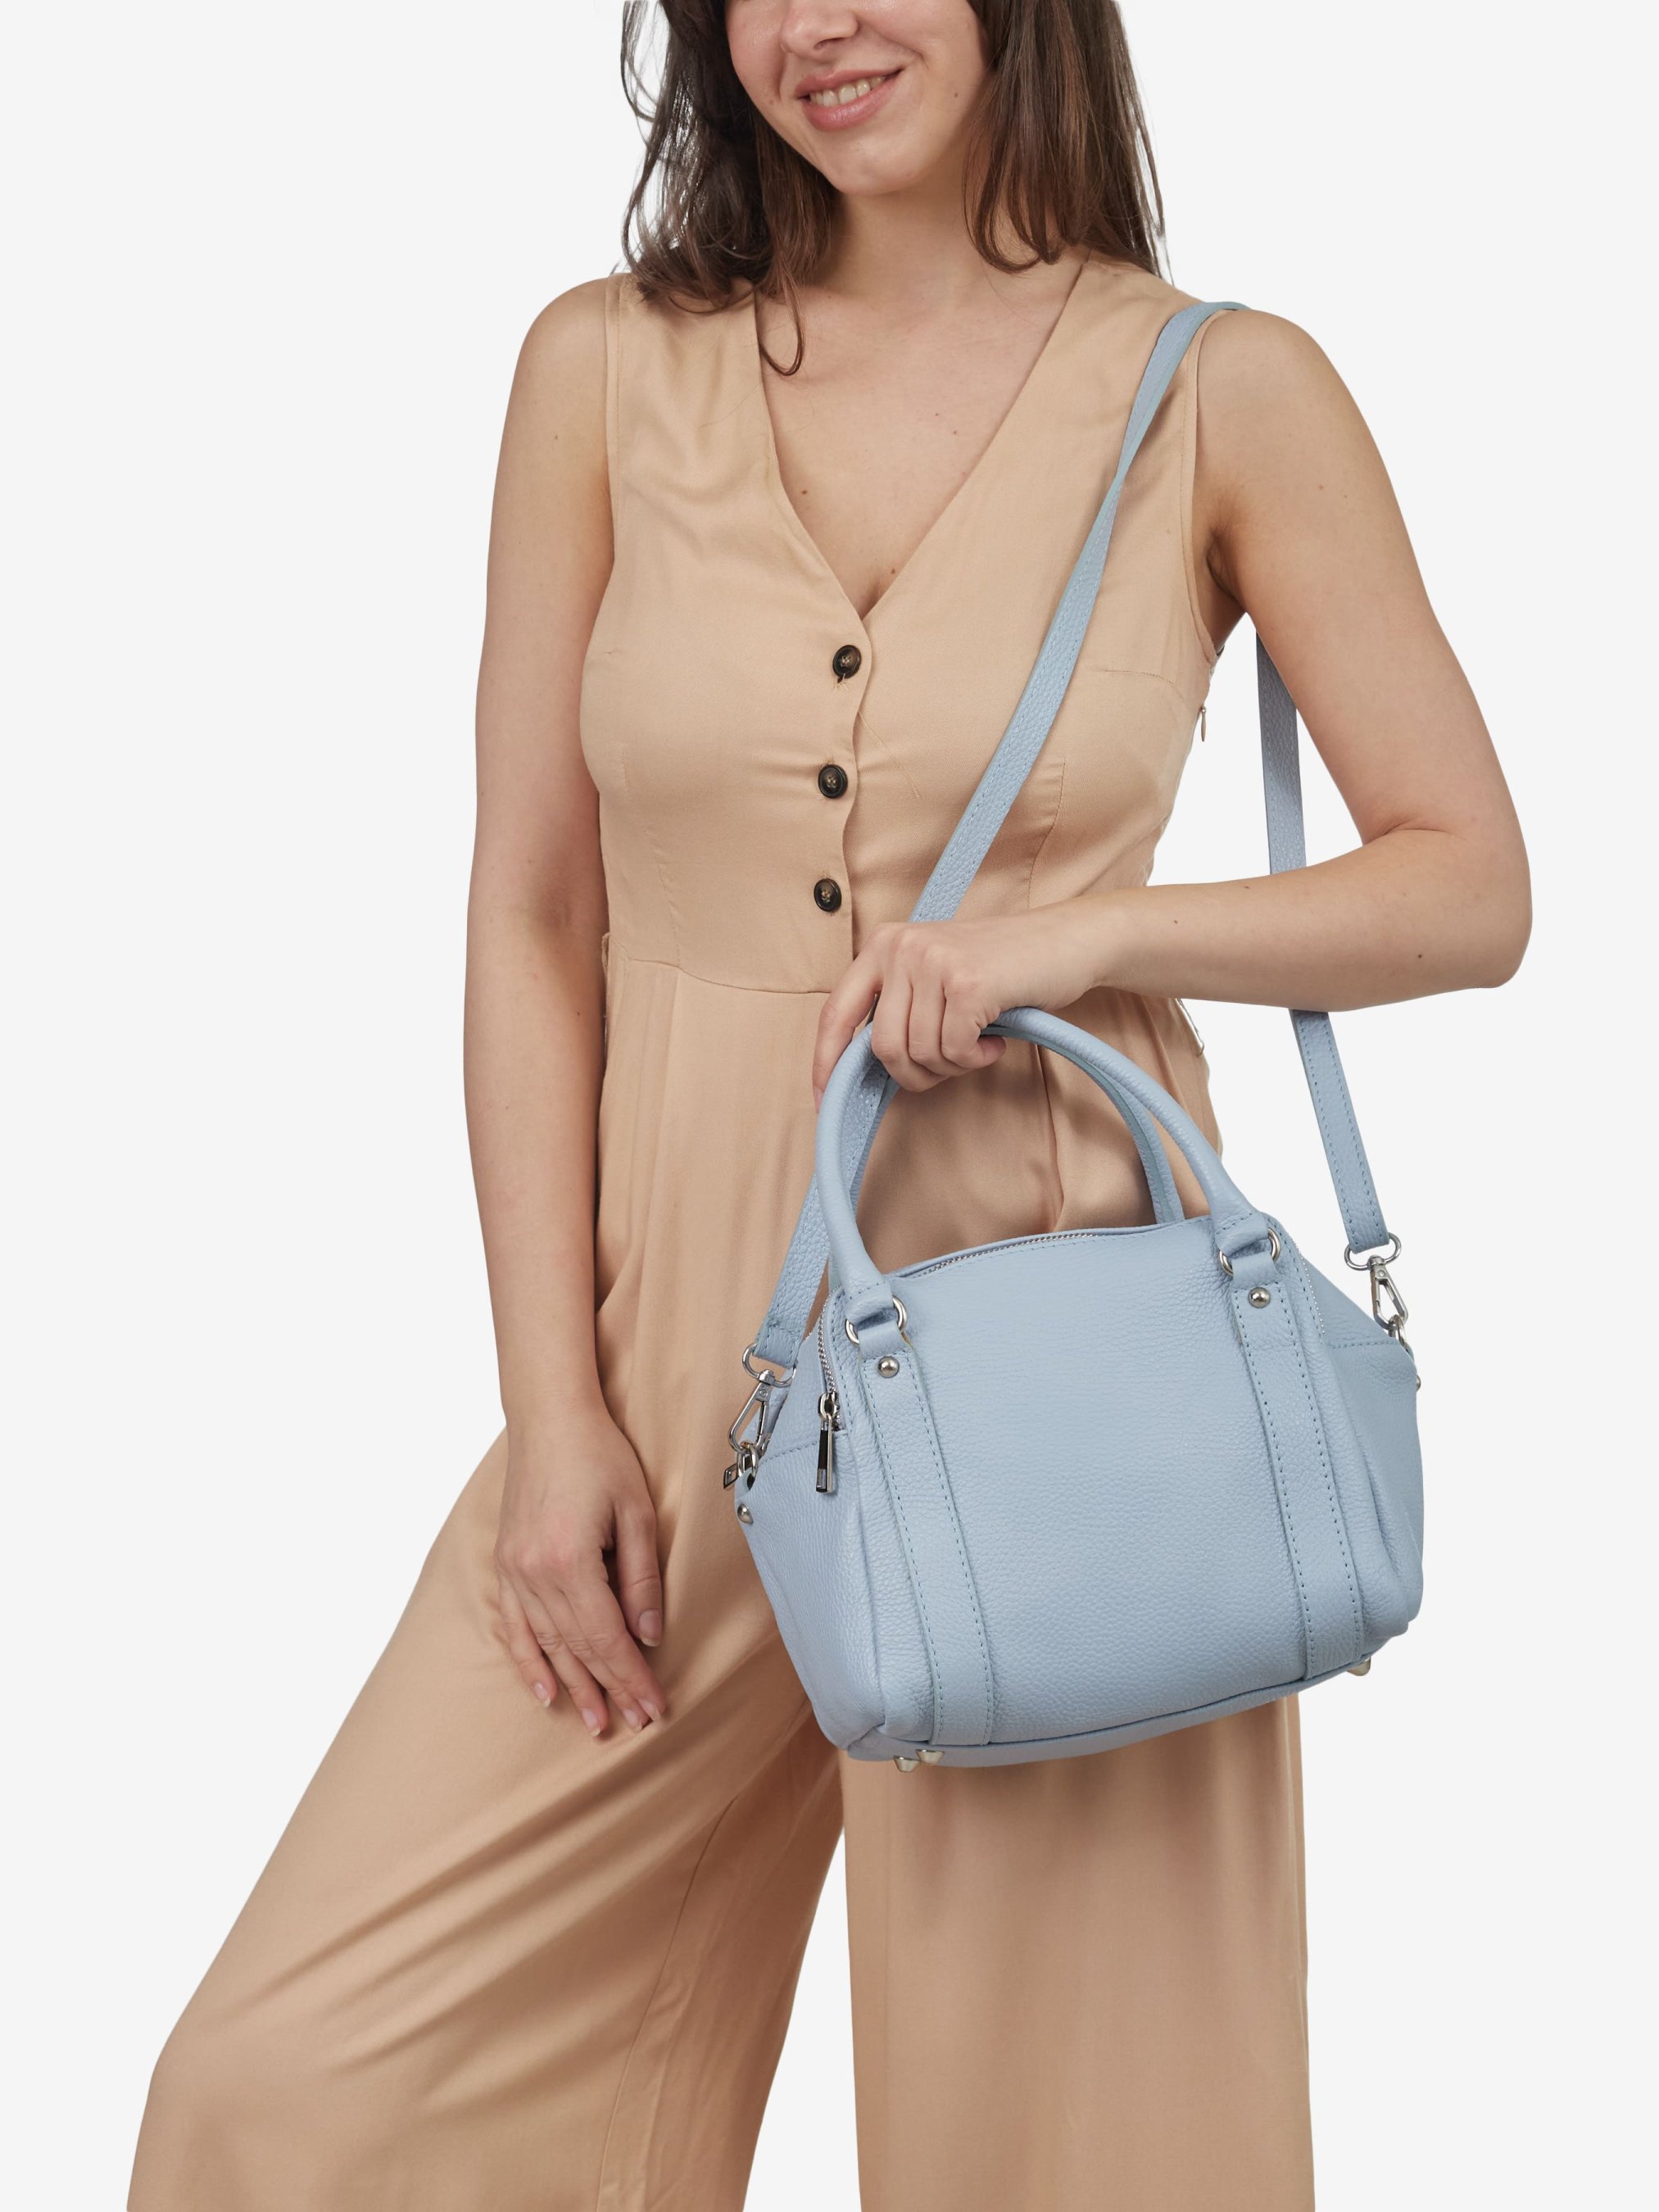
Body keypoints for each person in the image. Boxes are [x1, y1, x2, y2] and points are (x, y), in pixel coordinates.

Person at [128, 3, 1530, 2207]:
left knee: (1076, 2159)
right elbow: (530, 915)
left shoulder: (1222, 390)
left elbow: (1467, 884)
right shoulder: (603, 371)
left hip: (1075, 1365)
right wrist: (552, 1410)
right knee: (294, 2092)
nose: (816, 27)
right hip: (667, 1365)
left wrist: (1085, 934)